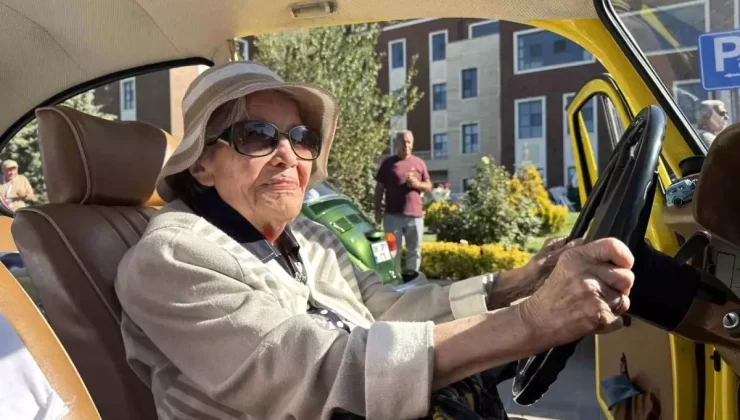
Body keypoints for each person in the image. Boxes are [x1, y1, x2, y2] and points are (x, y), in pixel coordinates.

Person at [115, 61, 634, 420]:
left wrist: (514, 286)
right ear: (203, 163)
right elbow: (323, 372)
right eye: (256, 135)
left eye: (301, 139)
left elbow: (387, 310)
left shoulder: (310, 238)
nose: (288, 156)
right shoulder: (173, 258)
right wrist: (533, 321)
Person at [374, 130, 431, 271]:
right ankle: (395, 283)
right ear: (396, 143)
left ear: (412, 144)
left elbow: (429, 186)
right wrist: (377, 210)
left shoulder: (419, 163)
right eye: (403, 141)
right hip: (392, 216)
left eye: (409, 142)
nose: (406, 144)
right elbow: (379, 188)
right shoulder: (388, 164)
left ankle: (412, 281)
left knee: (414, 251)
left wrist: (417, 185)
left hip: (415, 216)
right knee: (392, 252)